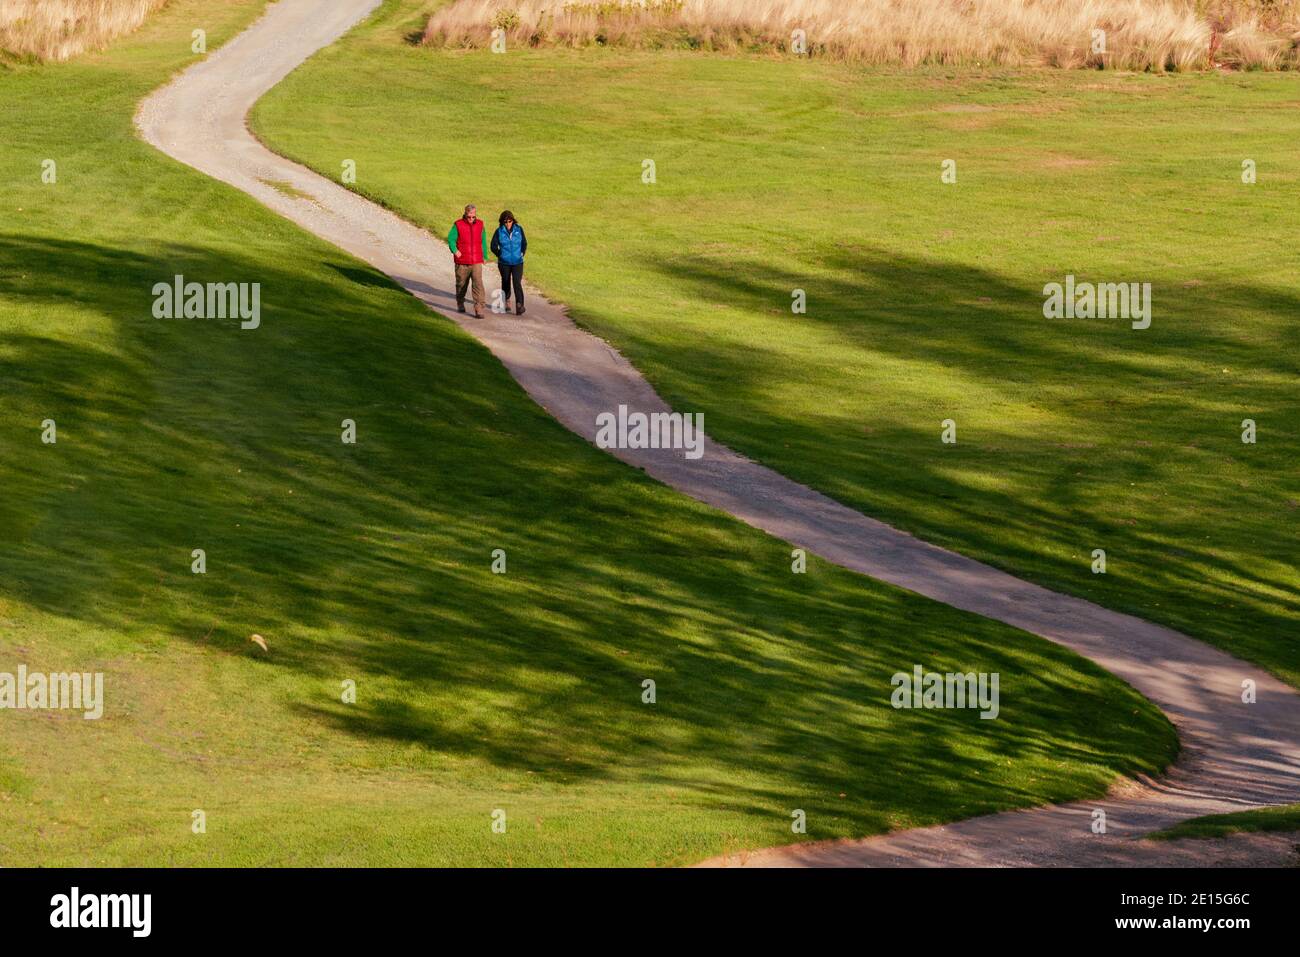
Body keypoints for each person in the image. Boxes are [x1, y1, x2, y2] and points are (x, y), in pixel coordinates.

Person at [447, 204, 491, 317]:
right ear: (465, 214)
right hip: (462, 261)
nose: (471, 219)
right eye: (469, 216)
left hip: (476, 261)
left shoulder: (480, 225)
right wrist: (455, 250)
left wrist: (484, 256)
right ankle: (460, 302)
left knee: (478, 284)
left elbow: (483, 241)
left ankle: (479, 308)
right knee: (461, 284)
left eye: (473, 216)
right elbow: (451, 239)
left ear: (475, 214)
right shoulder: (458, 225)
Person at [490, 210, 528, 315]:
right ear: (502, 222)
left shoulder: (519, 229)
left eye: (509, 221)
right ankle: (507, 300)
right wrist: (500, 254)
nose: (508, 224)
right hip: (504, 263)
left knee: (517, 283)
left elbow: (524, 243)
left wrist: (522, 253)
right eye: (505, 221)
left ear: (513, 221)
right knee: (506, 281)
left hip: (517, 262)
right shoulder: (499, 231)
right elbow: (493, 246)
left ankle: (519, 305)